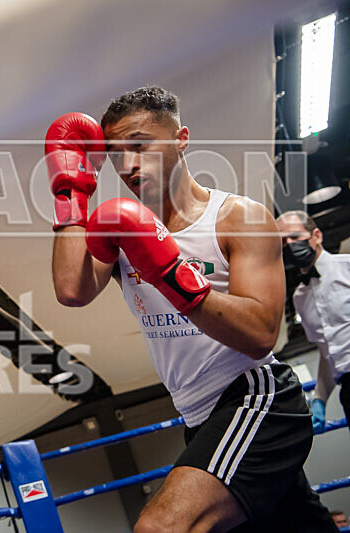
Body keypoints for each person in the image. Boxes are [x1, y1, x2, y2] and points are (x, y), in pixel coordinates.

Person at [47, 86, 336, 532]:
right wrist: (72, 188)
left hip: (255, 399)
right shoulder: (122, 229)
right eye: (116, 153)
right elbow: (71, 289)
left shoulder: (238, 218)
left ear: (181, 138)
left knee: (161, 527)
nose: (127, 165)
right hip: (198, 417)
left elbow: (261, 334)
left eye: (140, 144)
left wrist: (172, 275)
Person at [277, 210, 350, 434]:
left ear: (316, 236)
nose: (289, 245)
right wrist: (319, 399)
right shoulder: (299, 297)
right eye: (282, 242)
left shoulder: (348, 266)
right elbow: (327, 354)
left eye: (295, 237)